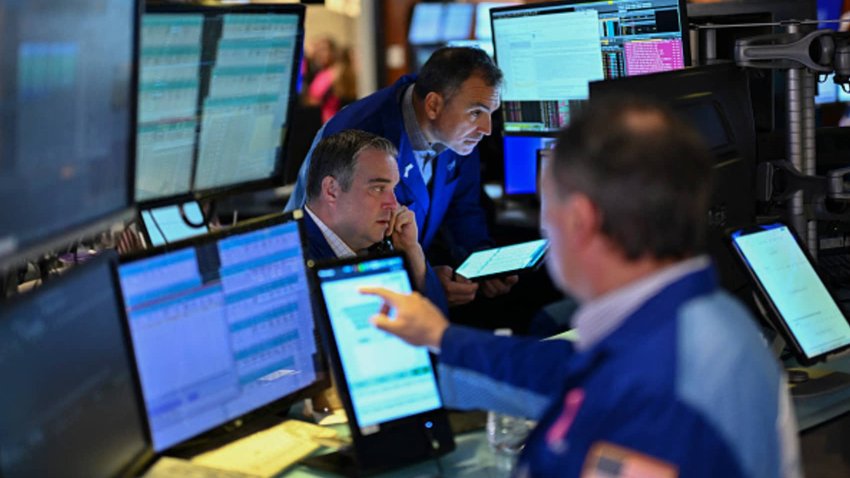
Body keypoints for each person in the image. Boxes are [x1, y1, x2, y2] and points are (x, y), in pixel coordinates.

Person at [360, 98, 801, 477]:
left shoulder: (653, 385)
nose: (544, 225)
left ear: (581, 220)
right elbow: (568, 370)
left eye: (546, 206)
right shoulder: (707, 321)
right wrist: (440, 339)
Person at [287, 46, 516, 307]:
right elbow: (337, 241)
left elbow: (463, 208)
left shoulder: (459, 135)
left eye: (491, 113)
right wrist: (422, 279)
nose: (487, 129)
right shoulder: (361, 135)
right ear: (433, 105)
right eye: (476, 112)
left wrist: (481, 263)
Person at [302, 129, 447, 314]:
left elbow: (435, 327)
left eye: (393, 189)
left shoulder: (381, 247)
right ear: (331, 190)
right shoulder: (294, 264)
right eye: (378, 188)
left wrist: (412, 253)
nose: (393, 204)